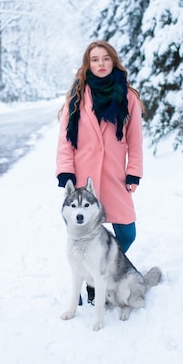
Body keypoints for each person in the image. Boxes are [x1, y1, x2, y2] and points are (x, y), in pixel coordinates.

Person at [56, 40, 143, 305]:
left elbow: (135, 139)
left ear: (113, 61)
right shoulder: (77, 96)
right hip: (84, 181)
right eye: (95, 60)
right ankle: (90, 284)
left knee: (127, 232)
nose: (100, 64)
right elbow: (65, 141)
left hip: (115, 177)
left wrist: (134, 171)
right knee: (82, 237)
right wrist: (65, 172)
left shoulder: (128, 96)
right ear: (88, 64)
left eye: (105, 59)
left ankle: (99, 274)